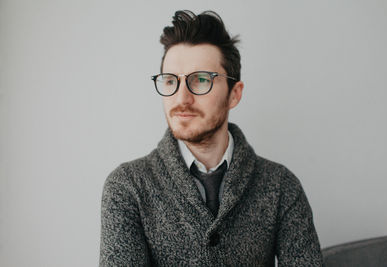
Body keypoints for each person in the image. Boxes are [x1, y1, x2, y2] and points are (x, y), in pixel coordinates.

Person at [100, 10, 323, 266]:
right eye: (170, 81)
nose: (182, 98)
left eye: (201, 80)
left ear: (234, 94)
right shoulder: (127, 188)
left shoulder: (282, 186)